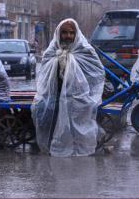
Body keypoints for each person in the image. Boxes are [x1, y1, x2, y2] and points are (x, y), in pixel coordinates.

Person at [31, 18, 105, 157]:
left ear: (76, 34)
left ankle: (78, 144)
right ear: (58, 34)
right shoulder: (51, 51)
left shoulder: (85, 51)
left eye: (72, 33)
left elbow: (97, 74)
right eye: (64, 32)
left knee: (78, 110)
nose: (68, 36)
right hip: (55, 96)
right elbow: (42, 78)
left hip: (79, 96)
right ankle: (49, 143)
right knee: (40, 109)